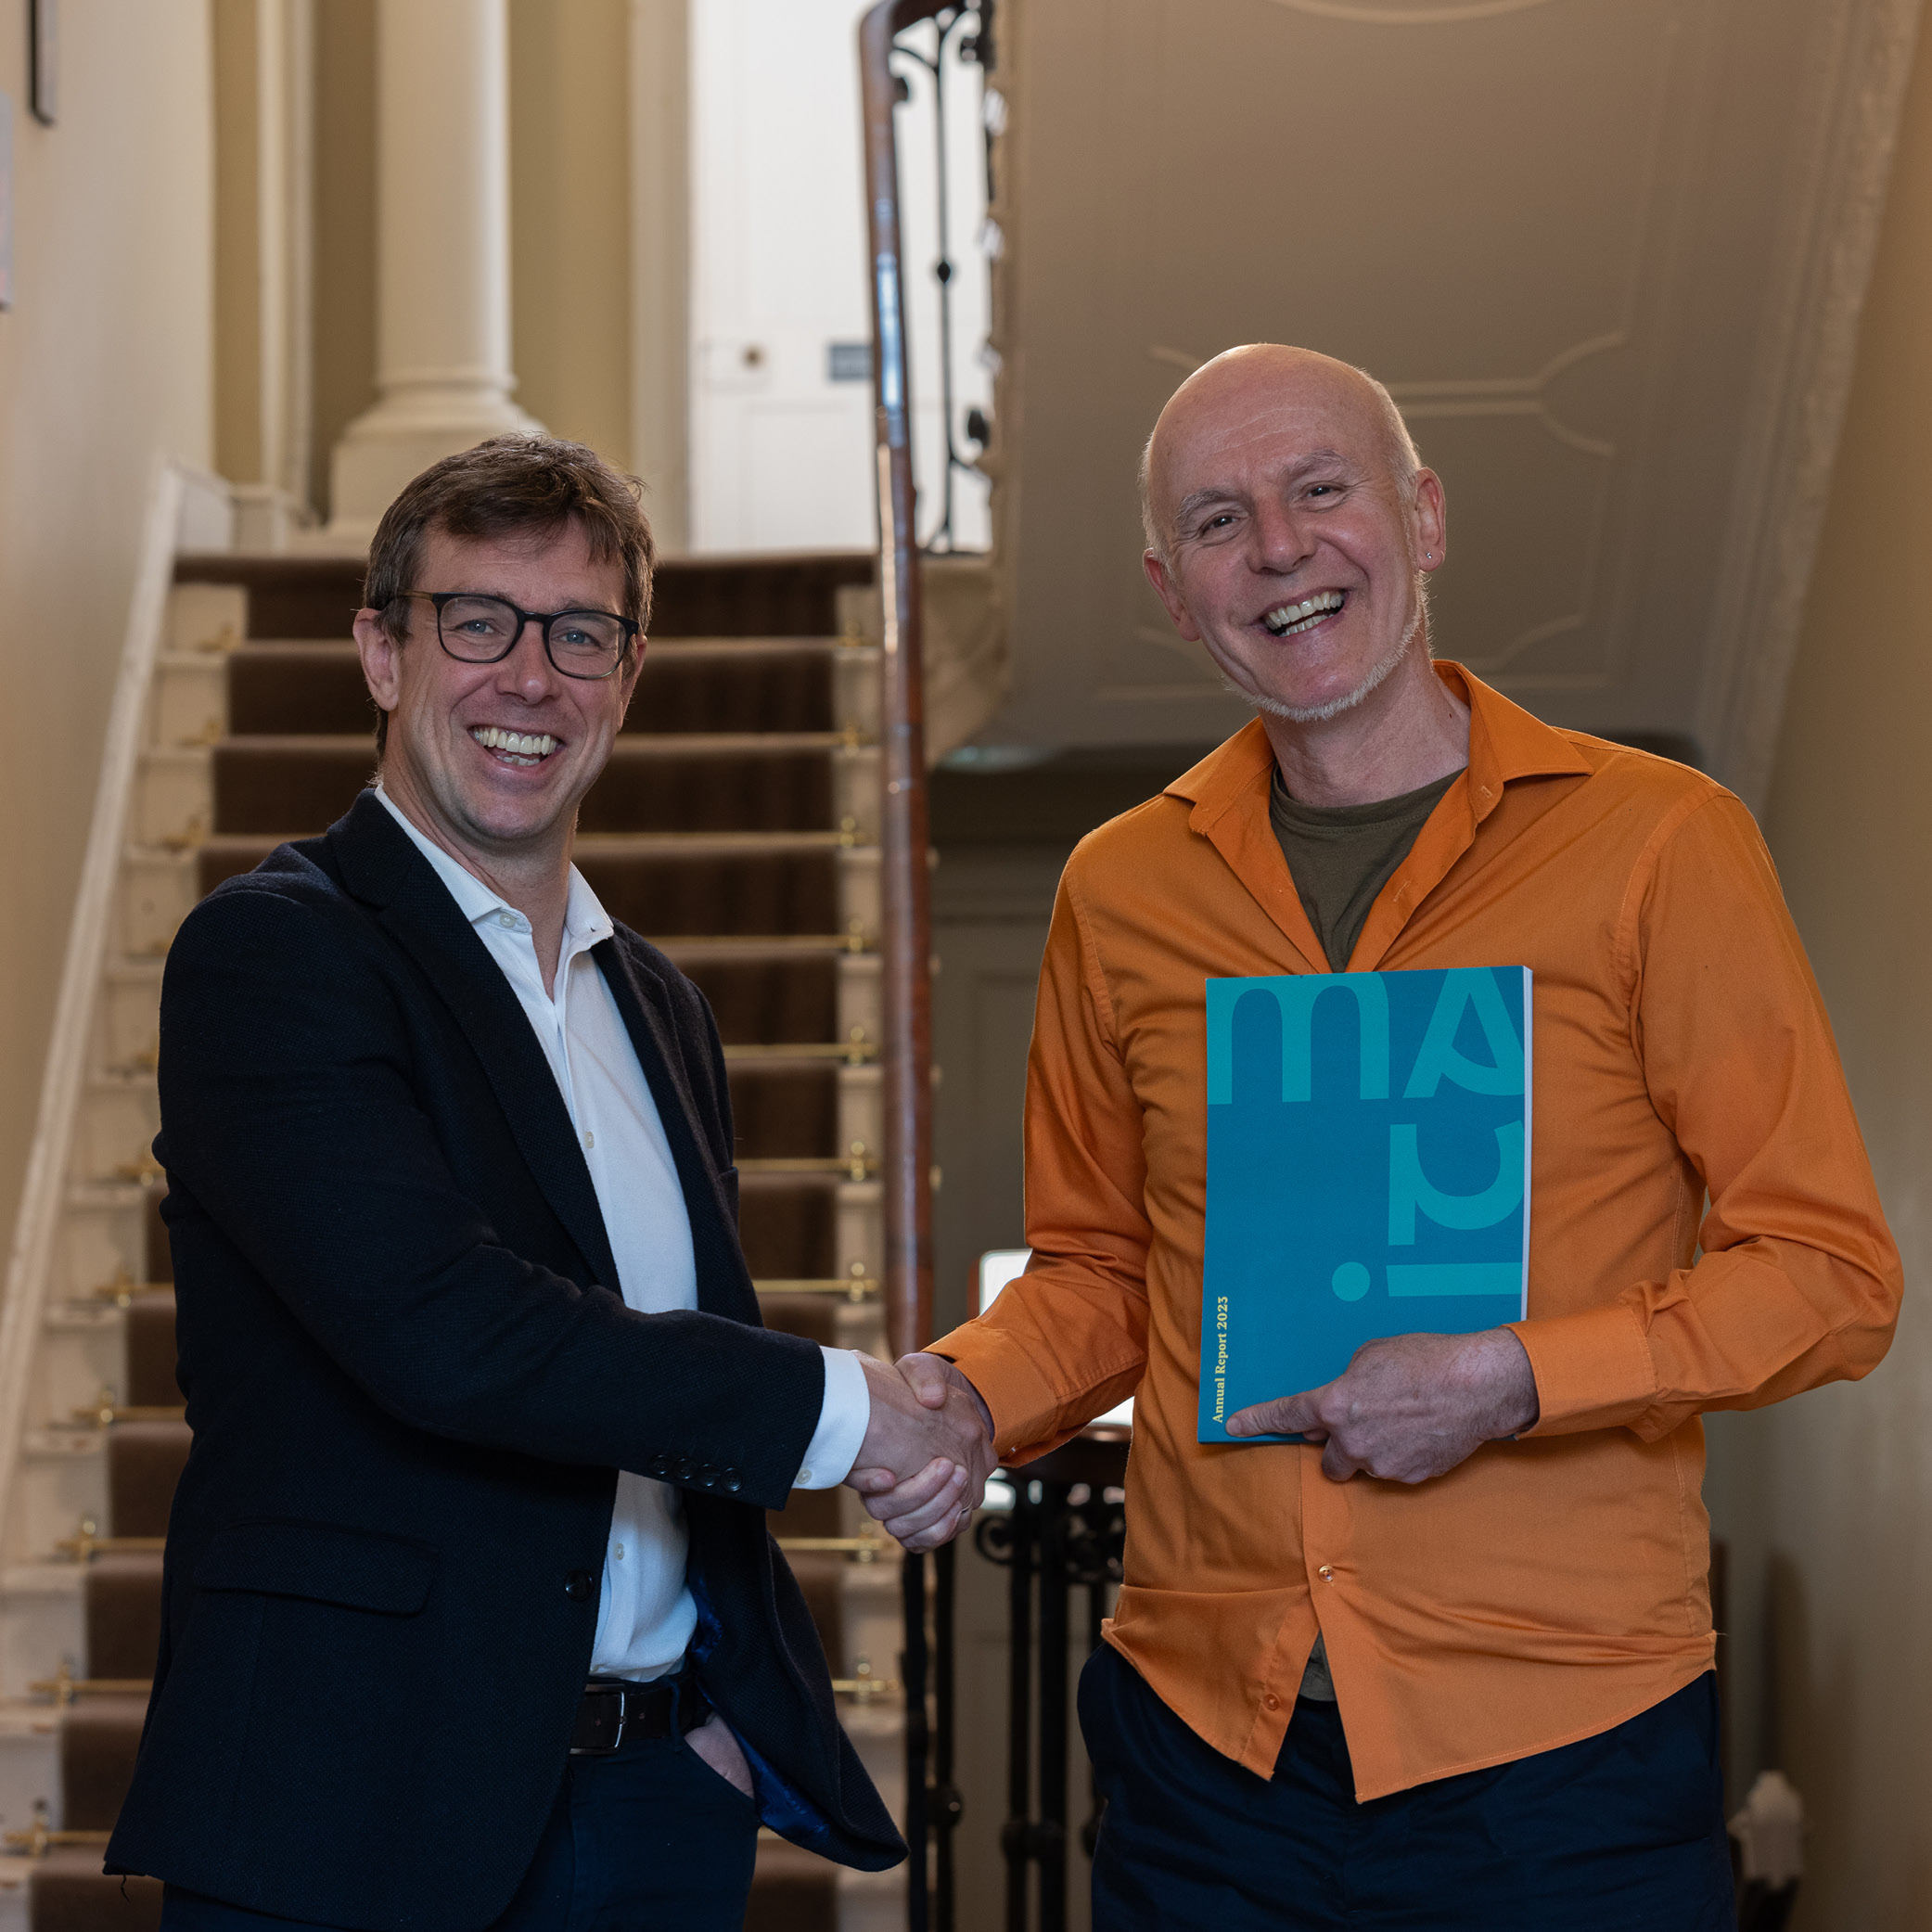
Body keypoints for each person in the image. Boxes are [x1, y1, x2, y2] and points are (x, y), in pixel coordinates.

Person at [879, 345, 1902, 1928]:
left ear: (1422, 516)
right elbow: (1100, 1270)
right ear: (1173, 589)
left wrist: (1512, 1379)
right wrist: (961, 1395)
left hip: (1565, 1745)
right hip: (1206, 1745)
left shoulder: (1659, 846)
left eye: (1320, 488)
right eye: (1218, 521)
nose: (1279, 548)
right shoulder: (1118, 891)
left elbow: (1829, 1273)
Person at [106, 436, 994, 1931]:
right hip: (353, 1817)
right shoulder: (276, 955)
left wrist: (708, 1734)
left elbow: (656, 1370)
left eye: (580, 633)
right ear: (382, 654)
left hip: (653, 1808)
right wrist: (854, 1415)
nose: (531, 678)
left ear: (627, 677)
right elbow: (448, 1332)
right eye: (478, 622)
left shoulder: (659, 1003)